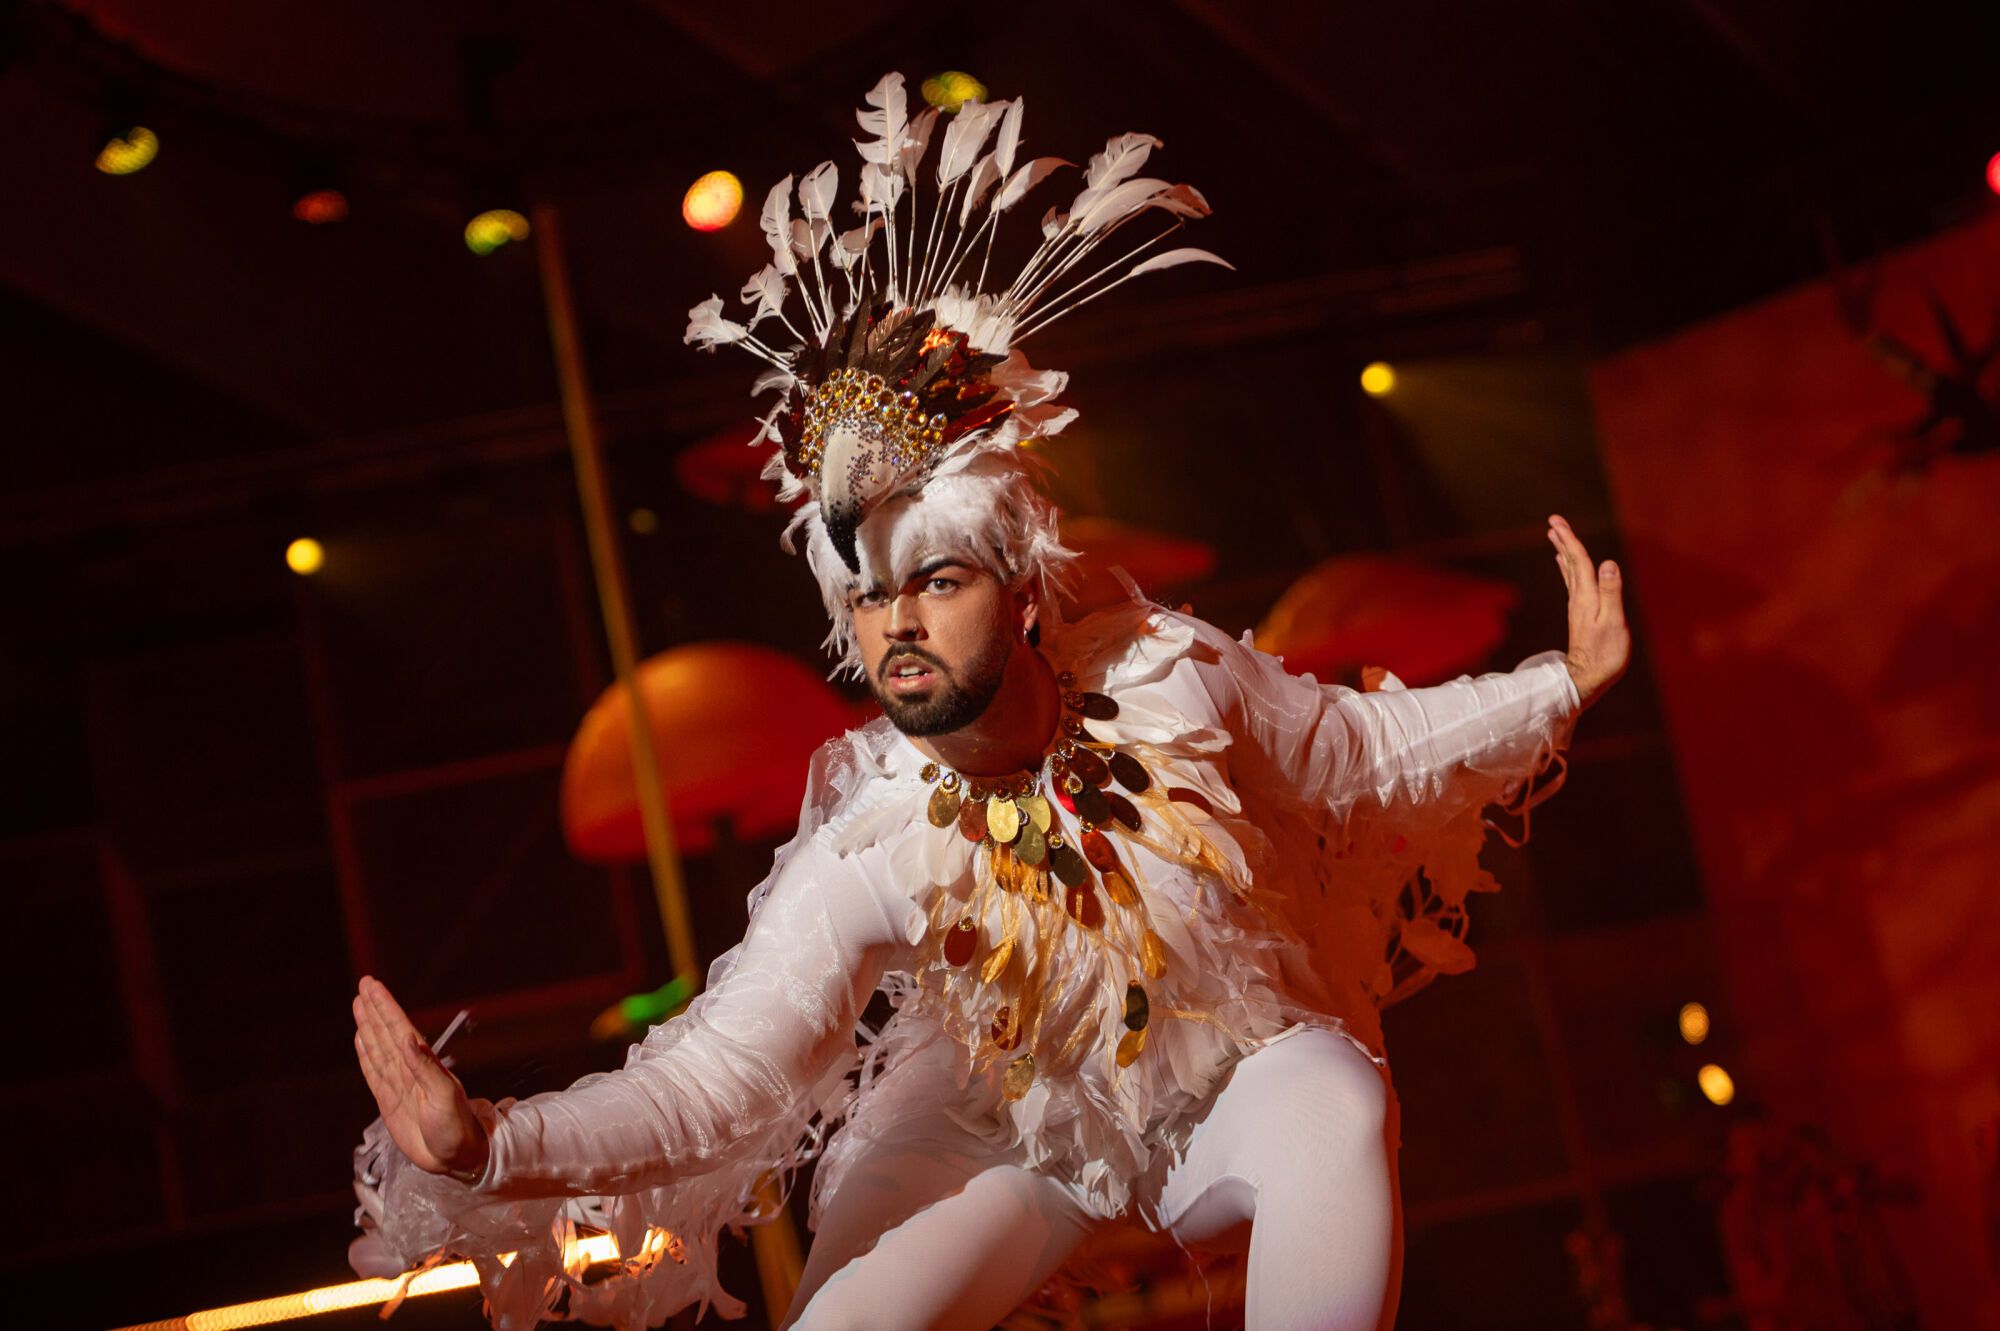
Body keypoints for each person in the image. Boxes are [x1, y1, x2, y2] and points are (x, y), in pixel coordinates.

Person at [348, 74, 1629, 1331]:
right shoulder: (876, 835)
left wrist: (1559, 680)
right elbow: (720, 1077)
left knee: (1337, 1107)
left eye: (937, 579)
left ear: (1018, 589)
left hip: (1228, 1069)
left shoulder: (1167, 675)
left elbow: (1360, 746)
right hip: (994, 1128)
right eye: (868, 597)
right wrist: (487, 1143)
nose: (895, 620)